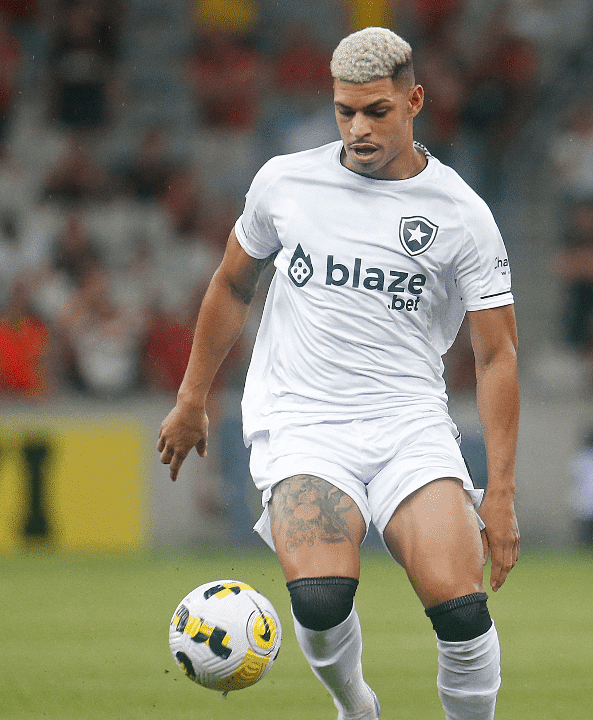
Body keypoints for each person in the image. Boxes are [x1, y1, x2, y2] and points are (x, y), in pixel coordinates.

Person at [157, 27, 520, 720]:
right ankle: (357, 706)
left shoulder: (462, 215)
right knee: (321, 600)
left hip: (408, 424)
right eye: (344, 111)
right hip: (303, 423)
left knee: (461, 610)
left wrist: (499, 492)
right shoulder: (284, 182)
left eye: (376, 112)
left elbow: (498, 354)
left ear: (414, 101)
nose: (357, 129)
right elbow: (233, 285)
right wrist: (192, 397)